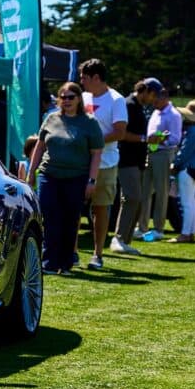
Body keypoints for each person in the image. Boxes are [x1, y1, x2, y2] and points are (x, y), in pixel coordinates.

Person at [27, 82, 104, 275]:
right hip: (49, 176)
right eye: (63, 97)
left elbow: (96, 153)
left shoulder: (89, 123)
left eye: (71, 97)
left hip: (76, 178)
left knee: (70, 221)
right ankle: (49, 263)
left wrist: (92, 181)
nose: (66, 100)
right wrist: (31, 173)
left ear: (79, 99)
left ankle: (66, 263)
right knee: (50, 219)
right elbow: (39, 147)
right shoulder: (51, 118)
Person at [79, 58, 127, 270]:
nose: (81, 81)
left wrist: (93, 142)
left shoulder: (116, 100)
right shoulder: (83, 96)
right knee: (73, 208)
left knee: (101, 209)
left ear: (96, 78)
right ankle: (71, 253)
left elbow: (120, 132)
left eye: (85, 78)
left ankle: (97, 255)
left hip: (106, 164)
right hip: (80, 161)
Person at [110, 78, 162, 254]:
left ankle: (124, 239)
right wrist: (146, 139)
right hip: (126, 159)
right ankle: (118, 239)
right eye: (153, 94)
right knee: (132, 198)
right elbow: (122, 134)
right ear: (145, 91)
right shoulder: (128, 104)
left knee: (136, 199)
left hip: (136, 160)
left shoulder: (139, 106)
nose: (154, 99)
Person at [137, 87, 183, 241]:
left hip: (164, 154)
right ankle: (142, 226)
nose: (153, 102)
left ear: (164, 98)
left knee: (161, 192)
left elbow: (175, 139)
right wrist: (154, 140)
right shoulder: (156, 112)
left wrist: (160, 139)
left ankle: (158, 228)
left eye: (156, 99)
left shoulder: (174, 115)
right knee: (145, 191)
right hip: (151, 153)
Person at [167, 99, 195, 243]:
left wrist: (174, 164)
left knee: (187, 203)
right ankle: (190, 232)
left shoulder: (193, 131)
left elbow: (185, 151)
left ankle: (185, 234)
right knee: (192, 203)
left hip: (188, 169)